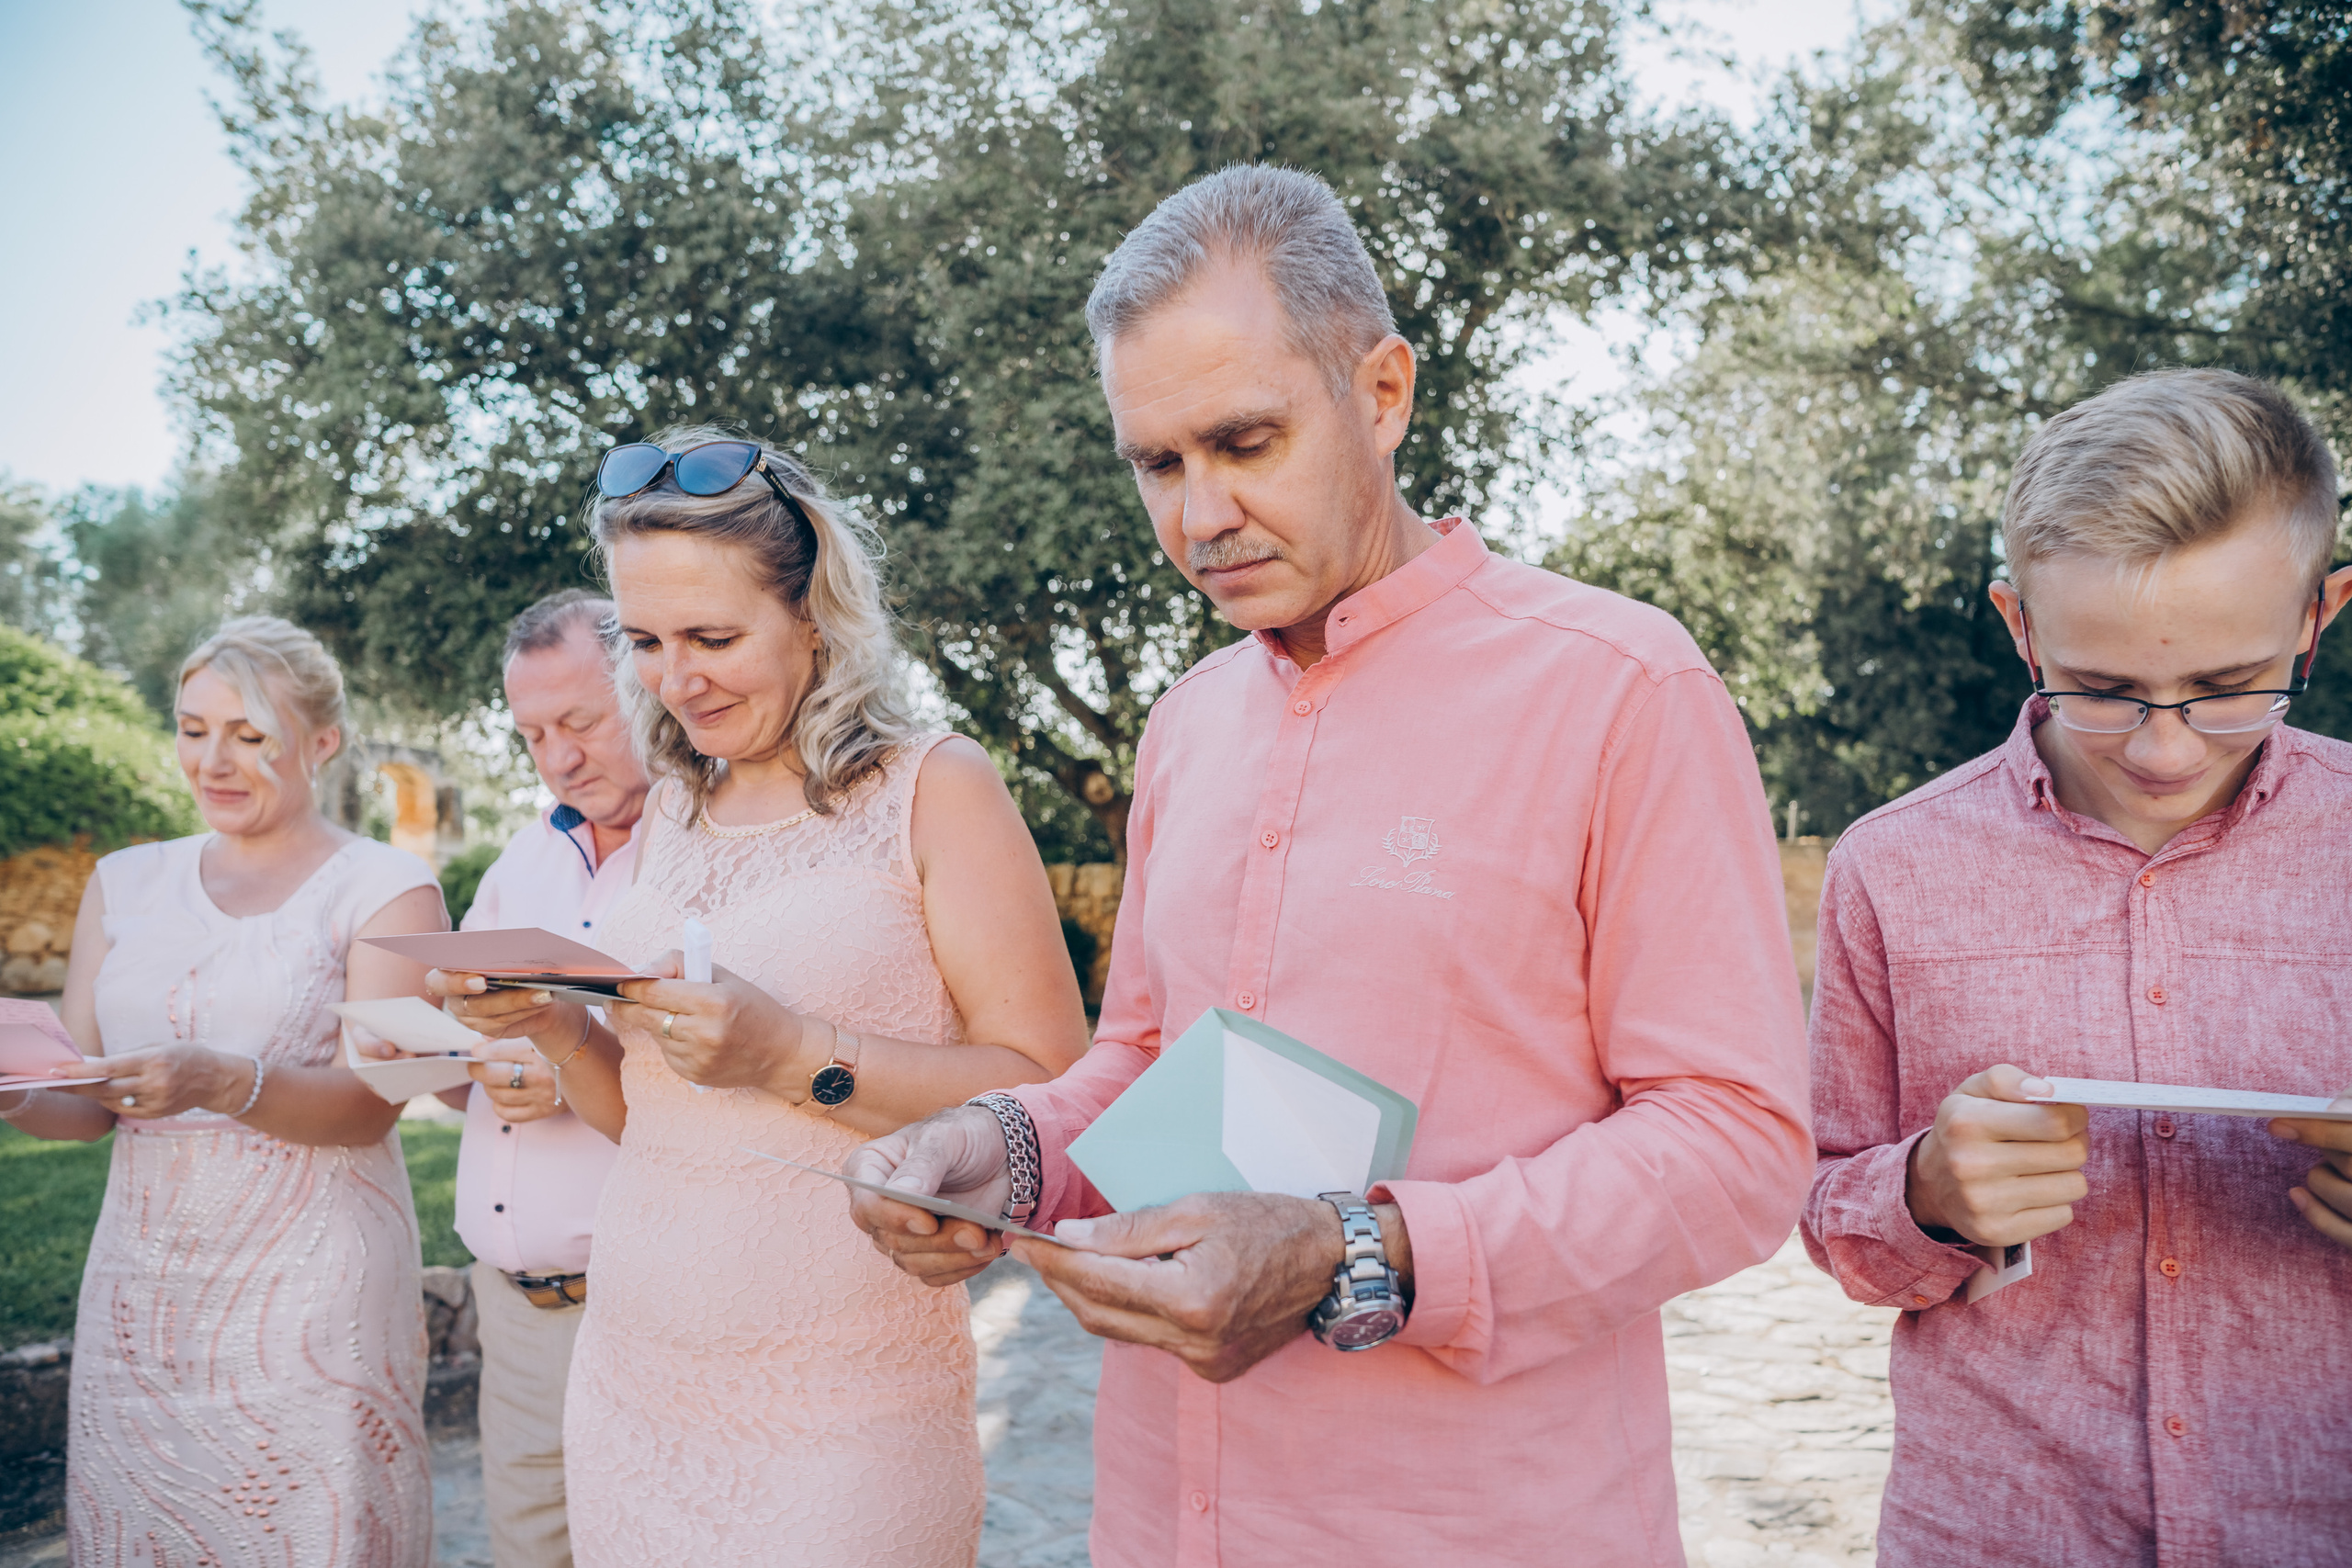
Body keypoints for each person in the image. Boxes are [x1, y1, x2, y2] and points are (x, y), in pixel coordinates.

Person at [849, 164, 1813, 1565]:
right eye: (1158, 463)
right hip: (1164, 1508)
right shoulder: (1185, 724)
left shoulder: (1620, 687)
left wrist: (1358, 1248)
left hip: (1488, 1521)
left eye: (1245, 441)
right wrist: (998, 1149)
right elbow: (1145, 1060)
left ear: (1382, 392)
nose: (1200, 517)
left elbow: (1736, 1145)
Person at [429, 427, 1091, 1567]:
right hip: (634, 1379)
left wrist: (794, 1054)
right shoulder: (678, 808)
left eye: (713, 637)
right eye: (642, 641)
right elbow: (655, 1119)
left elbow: (1052, 1085)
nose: (673, 679)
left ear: (815, 614)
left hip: (845, 1402)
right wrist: (556, 1022)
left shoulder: (936, 786)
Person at [1801, 368, 2352, 1564]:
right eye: (2102, 690)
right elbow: (1825, 1203)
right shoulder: (1890, 867)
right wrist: (1928, 1194)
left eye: (2225, 687)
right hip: (1997, 1525)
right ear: (2022, 626)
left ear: (2319, 615)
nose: (2163, 747)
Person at [1, 615, 447, 1566]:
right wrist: (13, 1093)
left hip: (315, 1289)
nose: (215, 760)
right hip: (143, 1286)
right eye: (193, 729)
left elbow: (375, 1100)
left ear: (321, 743)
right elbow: (84, 1099)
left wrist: (219, 1079)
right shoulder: (124, 883)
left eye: (250, 736)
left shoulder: (387, 888)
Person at [435, 590, 649, 1568]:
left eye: (581, 721)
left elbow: (741, 1078)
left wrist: (570, 1065)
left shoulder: (712, 850)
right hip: (511, 1309)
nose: (558, 756)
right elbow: (462, 1070)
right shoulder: (518, 865)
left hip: (647, 1302)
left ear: (649, 682)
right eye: (532, 734)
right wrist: (458, 1058)